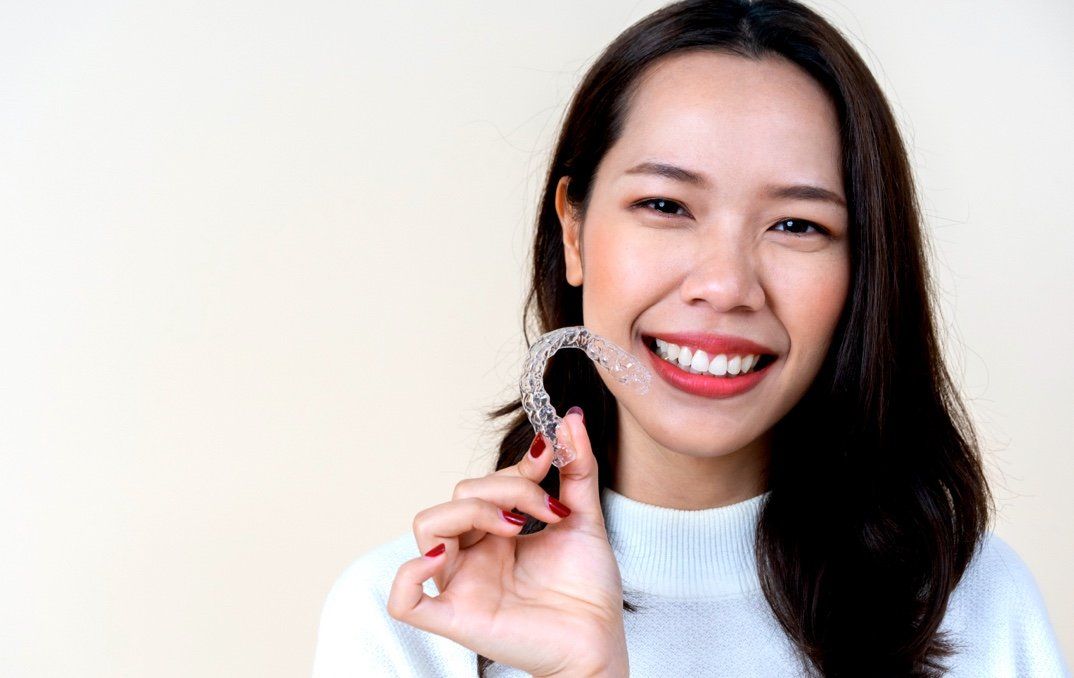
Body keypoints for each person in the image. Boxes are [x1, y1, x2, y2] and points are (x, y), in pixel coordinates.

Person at [311, 1, 1069, 676]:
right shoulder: (414, 620)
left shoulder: (970, 607)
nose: (726, 284)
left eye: (798, 224)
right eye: (667, 205)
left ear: (863, 265)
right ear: (573, 229)